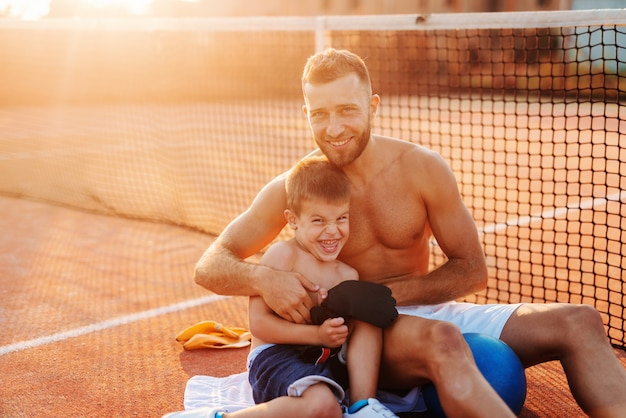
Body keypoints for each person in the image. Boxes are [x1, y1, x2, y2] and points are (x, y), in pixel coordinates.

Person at [194, 48, 626, 417]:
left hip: (413, 307)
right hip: (358, 334)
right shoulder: (298, 187)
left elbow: (471, 271)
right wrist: (264, 278)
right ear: (306, 114)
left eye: (348, 109)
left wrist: (384, 295)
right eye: (320, 114)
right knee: (443, 341)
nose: (335, 128)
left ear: (374, 105)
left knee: (579, 321)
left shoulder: (422, 168)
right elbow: (210, 264)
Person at [167, 156, 399, 418]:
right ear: (293, 220)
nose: (332, 231)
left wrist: (339, 331)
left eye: (341, 217)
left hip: (321, 357)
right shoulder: (282, 256)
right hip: (274, 357)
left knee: (369, 312)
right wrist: (318, 336)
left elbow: (352, 335)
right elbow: (259, 325)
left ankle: (363, 406)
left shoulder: (347, 273)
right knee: (324, 407)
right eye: (319, 220)